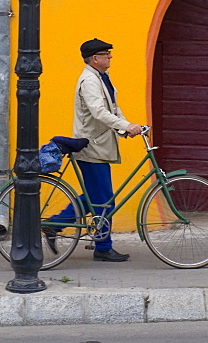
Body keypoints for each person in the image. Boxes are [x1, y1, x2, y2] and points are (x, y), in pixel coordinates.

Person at [45, 37, 143, 262]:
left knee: (94, 198)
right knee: (103, 199)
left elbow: (114, 109)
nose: (110, 57)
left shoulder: (101, 77)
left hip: (99, 144)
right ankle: (102, 246)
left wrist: (125, 127)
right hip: (92, 147)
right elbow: (99, 112)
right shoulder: (89, 81)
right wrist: (125, 126)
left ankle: (57, 226)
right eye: (106, 54)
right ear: (95, 58)